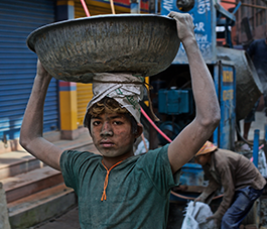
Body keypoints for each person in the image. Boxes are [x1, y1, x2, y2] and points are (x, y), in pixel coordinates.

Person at [19, 12, 220, 228]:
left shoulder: (153, 168)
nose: (105, 131)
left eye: (117, 122)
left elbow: (207, 120)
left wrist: (190, 42)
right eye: (97, 122)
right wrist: (41, 77)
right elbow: (29, 139)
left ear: (137, 130)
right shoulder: (82, 167)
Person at [194, 141, 266, 229]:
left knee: (228, 220)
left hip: (250, 185)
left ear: (206, 154)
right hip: (238, 186)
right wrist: (202, 197)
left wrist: (219, 213)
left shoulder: (221, 162)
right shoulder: (206, 163)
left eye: (197, 158)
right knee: (226, 217)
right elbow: (214, 182)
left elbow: (229, 191)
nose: (196, 161)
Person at [243, 32, 267, 141]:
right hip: (256, 81)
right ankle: (245, 136)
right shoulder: (257, 44)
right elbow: (245, 58)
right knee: (250, 108)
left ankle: (265, 137)